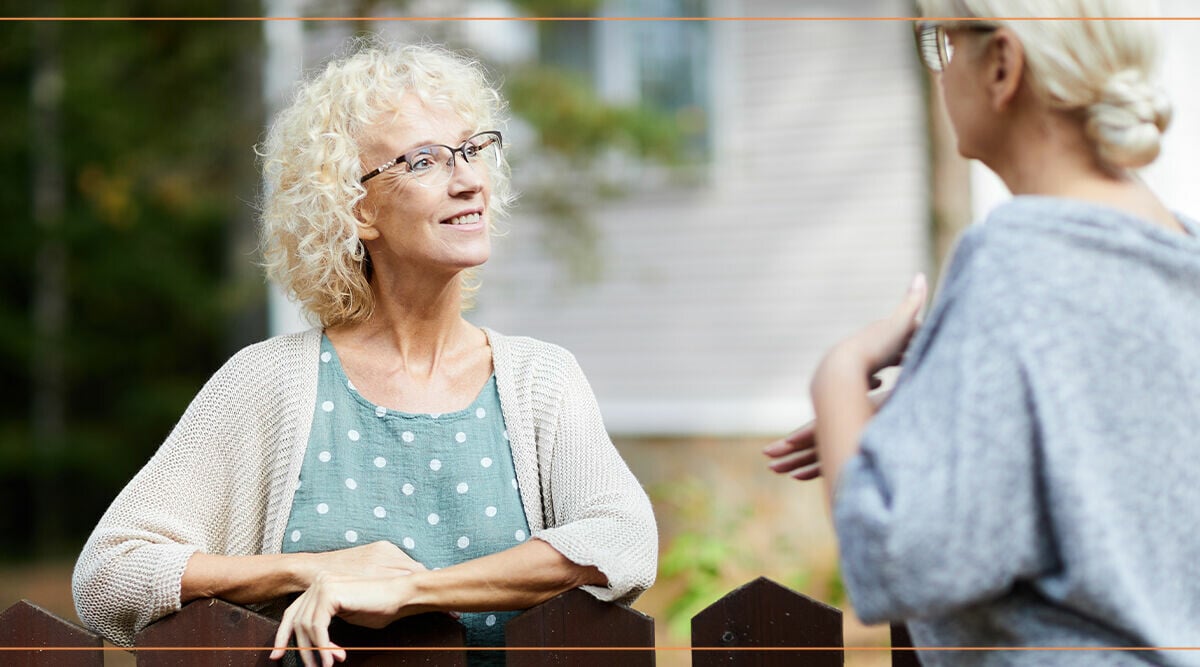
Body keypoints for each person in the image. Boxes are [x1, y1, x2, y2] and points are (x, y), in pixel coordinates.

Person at [72, 40, 657, 667]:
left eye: (471, 149)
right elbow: (109, 574)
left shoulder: (540, 378)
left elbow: (622, 540)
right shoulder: (265, 383)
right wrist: (309, 570)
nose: (467, 180)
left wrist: (411, 589)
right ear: (356, 209)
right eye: (425, 161)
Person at [765, 1, 1200, 664]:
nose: (940, 72)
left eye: (943, 42)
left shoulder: (1014, 258)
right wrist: (929, 402)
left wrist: (841, 374)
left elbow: (896, 561)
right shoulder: (1178, 255)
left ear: (1001, 63)